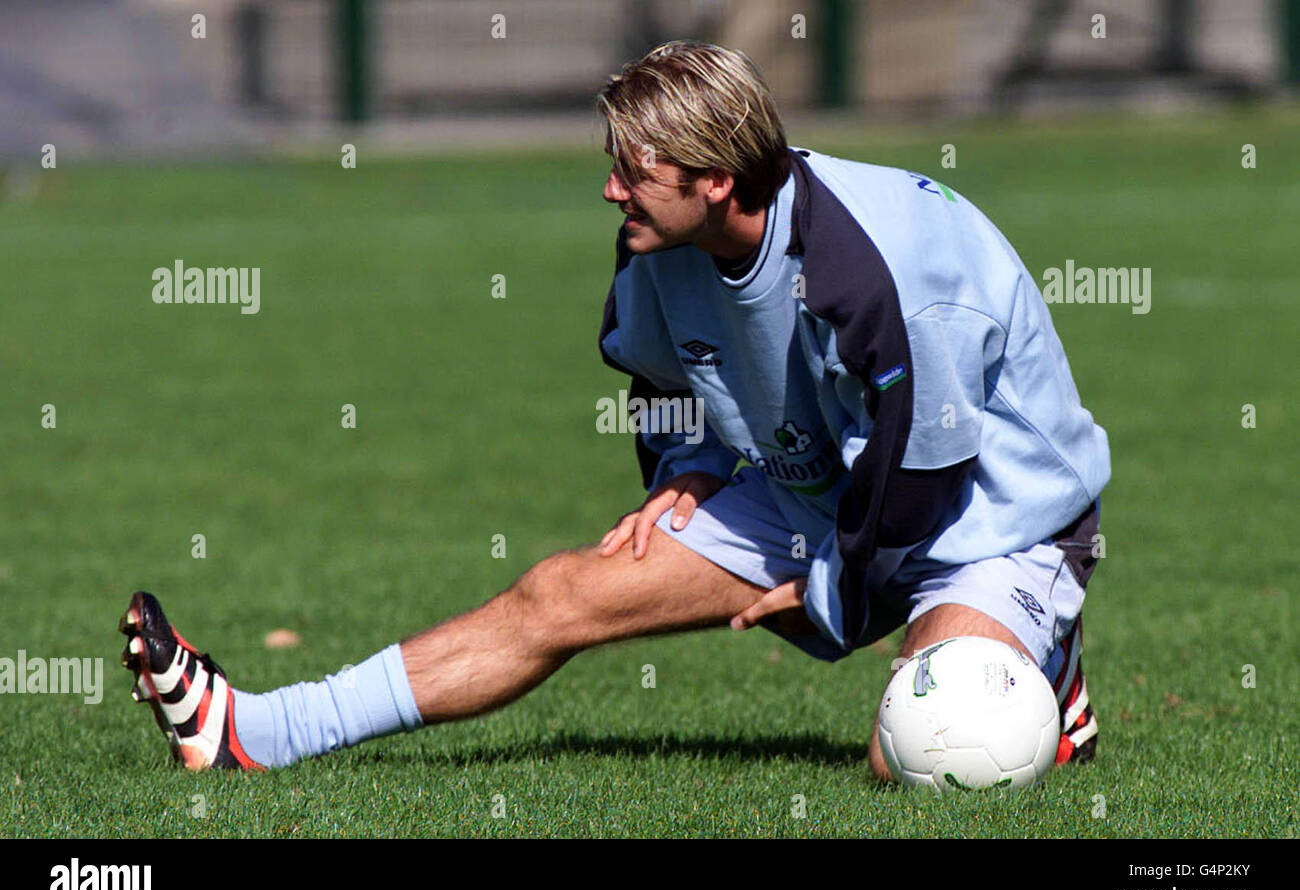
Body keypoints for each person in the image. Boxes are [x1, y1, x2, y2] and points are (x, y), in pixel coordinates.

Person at [119, 41, 1108, 779]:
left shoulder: (877, 267)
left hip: (990, 520)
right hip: (829, 494)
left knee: (920, 755)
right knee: (558, 593)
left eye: (634, 171)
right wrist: (685, 473)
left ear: (716, 181)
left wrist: (832, 595)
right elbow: (663, 378)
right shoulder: (658, 246)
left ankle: (1039, 660)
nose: (609, 189)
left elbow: (921, 469)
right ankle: (250, 731)